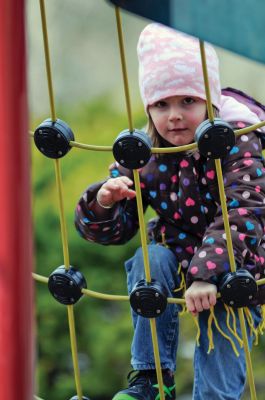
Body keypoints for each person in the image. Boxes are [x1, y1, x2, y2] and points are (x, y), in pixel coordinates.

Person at [75, 23, 265, 400]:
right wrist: (104, 201)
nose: (174, 115)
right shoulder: (146, 149)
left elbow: (245, 210)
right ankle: (151, 380)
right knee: (151, 261)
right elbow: (115, 231)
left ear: (210, 102)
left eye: (188, 102)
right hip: (178, 253)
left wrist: (209, 273)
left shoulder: (239, 137)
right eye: (162, 104)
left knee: (224, 324)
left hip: (240, 259)